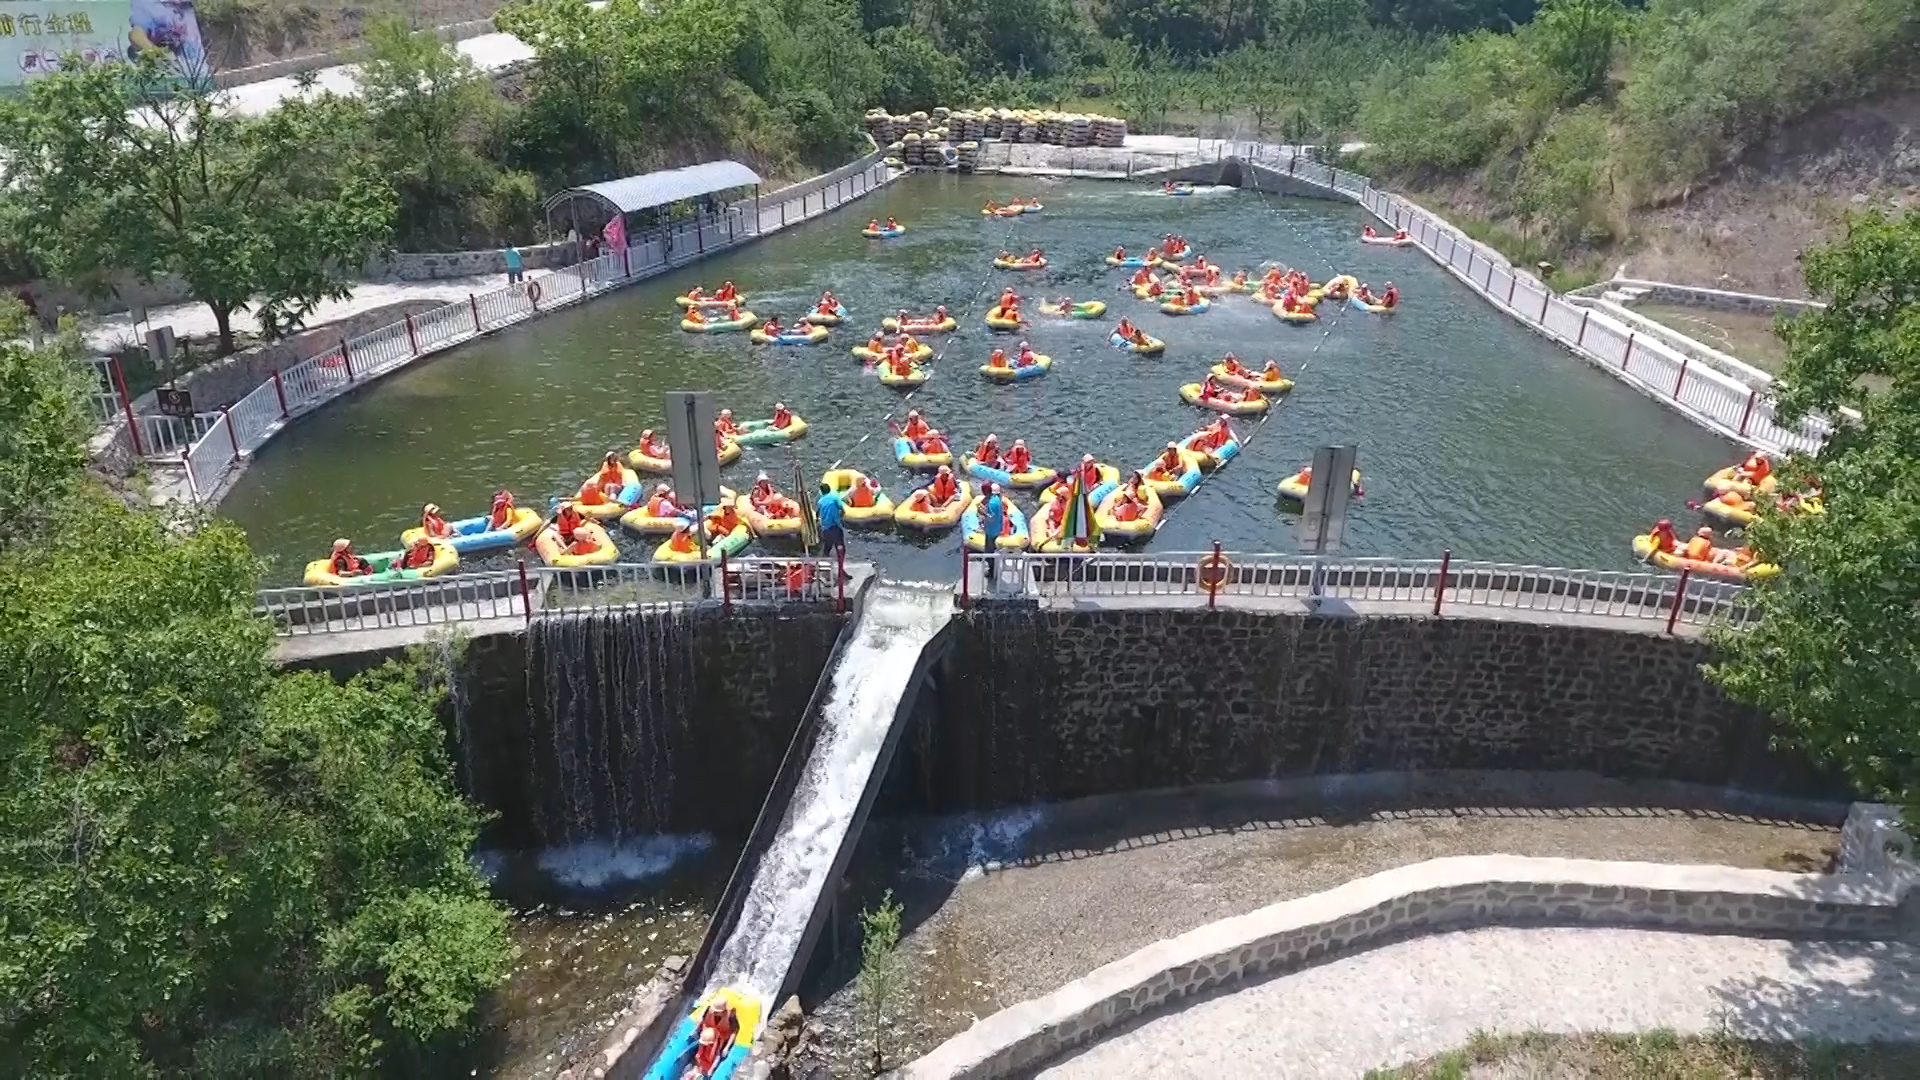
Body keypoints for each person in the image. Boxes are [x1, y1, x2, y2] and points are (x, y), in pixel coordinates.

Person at [816, 480, 846, 557]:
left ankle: (825, 558)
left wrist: (817, 520)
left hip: (826, 527)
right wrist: (841, 516)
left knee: (827, 546)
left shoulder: (820, 501)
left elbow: (817, 513)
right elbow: (842, 509)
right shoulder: (834, 498)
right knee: (840, 545)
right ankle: (841, 562)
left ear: (822, 492)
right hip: (835, 525)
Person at [981, 482, 1006, 568]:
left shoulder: (992, 503)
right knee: (994, 549)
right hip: (997, 528)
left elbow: (991, 518)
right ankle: (993, 567)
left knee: (989, 551)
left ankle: (991, 570)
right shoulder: (997, 499)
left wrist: (983, 513)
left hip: (991, 531)